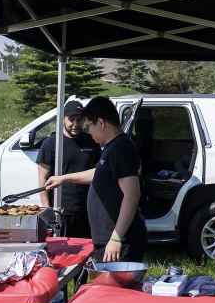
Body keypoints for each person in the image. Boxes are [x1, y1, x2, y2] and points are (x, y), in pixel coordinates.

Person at [45, 96, 147, 263]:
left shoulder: (121, 148)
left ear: (100, 122)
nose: (88, 131)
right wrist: (64, 178)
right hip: (109, 237)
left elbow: (132, 195)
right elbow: (99, 173)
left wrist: (115, 238)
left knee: (113, 282)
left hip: (121, 240)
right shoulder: (112, 146)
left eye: (89, 126)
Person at [37, 100, 101, 239]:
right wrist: (47, 208)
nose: (75, 124)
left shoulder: (92, 141)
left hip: (87, 210)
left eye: (79, 120)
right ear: (63, 119)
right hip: (61, 211)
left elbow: (98, 174)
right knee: (61, 249)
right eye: (71, 120)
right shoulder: (51, 143)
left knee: (86, 248)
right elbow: (43, 178)